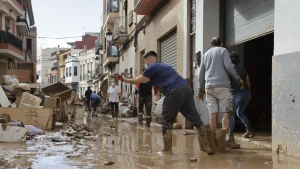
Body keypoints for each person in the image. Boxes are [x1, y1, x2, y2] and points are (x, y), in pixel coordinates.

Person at [115, 51, 214, 155]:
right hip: (186, 89)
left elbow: (140, 80)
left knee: (166, 120)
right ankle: (208, 147)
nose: (145, 64)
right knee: (196, 119)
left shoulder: (151, 68)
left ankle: (167, 150)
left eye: (145, 62)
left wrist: (124, 80)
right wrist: (127, 77)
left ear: (148, 60)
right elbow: (139, 78)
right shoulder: (164, 65)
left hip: (174, 92)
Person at [198, 37, 244, 149]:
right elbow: (229, 66)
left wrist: (201, 88)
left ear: (211, 45)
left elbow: (201, 72)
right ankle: (224, 140)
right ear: (221, 43)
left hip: (209, 86)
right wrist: (238, 79)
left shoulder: (206, 54)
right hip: (222, 86)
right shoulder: (223, 50)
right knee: (225, 113)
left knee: (213, 113)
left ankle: (214, 140)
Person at [229, 52, 254, 139]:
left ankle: (230, 135)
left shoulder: (230, 70)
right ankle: (249, 130)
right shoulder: (243, 69)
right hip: (246, 94)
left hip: (236, 94)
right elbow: (248, 80)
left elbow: (227, 83)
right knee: (240, 113)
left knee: (231, 114)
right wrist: (249, 92)